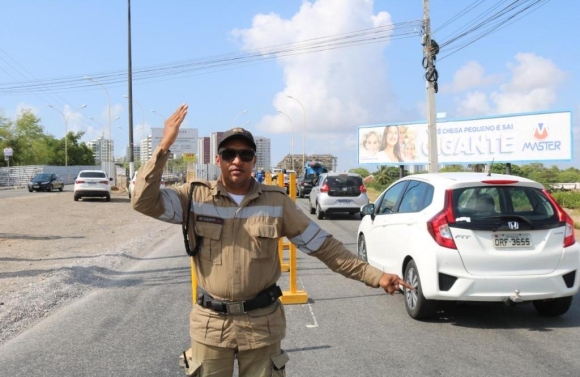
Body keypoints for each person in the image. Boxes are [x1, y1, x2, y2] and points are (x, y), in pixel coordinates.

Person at [132, 103, 412, 377]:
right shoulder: (193, 197)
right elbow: (143, 201)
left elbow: (324, 246)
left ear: (255, 160)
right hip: (211, 325)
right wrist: (163, 147)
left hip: (261, 326)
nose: (237, 161)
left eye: (245, 154)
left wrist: (375, 275)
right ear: (218, 159)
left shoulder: (277, 203)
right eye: (229, 154)